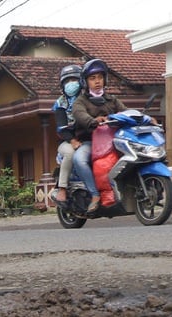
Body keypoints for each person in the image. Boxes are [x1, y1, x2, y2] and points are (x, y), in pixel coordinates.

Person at [71, 58, 127, 214]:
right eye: (92, 78)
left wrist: (144, 118)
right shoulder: (80, 101)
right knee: (78, 159)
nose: (97, 81)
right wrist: (92, 121)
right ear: (85, 82)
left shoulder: (112, 100)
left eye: (100, 77)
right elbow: (79, 114)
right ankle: (95, 195)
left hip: (115, 140)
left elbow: (126, 112)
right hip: (90, 142)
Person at [52, 64, 83, 203]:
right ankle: (62, 188)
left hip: (89, 138)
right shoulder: (60, 103)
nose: (71, 84)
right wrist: (72, 140)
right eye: (67, 81)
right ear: (62, 85)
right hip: (67, 142)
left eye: (74, 80)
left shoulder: (87, 98)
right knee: (70, 153)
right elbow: (61, 128)